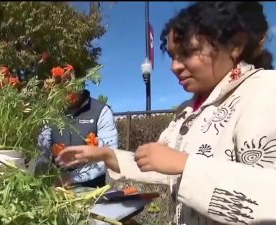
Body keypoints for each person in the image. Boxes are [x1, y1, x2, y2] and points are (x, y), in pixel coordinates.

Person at [56, 2, 276, 224]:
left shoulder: (264, 91)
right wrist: (105, 155)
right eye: (172, 56)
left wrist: (185, 164)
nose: (174, 66)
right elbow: (159, 163)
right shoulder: (188, 110)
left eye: (187, 53)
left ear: (235, 46)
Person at [36, 89, 118, 188]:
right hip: (57, 190)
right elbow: (43, 154)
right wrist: (40, 182)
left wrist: (70, 178)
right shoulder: (50, 113)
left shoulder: (101, 111)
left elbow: (109, 156)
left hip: (91, 189)